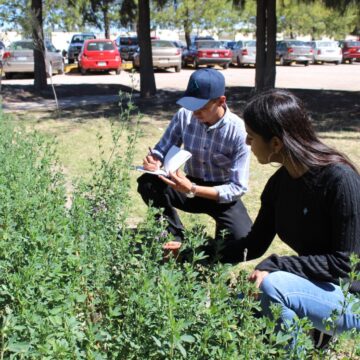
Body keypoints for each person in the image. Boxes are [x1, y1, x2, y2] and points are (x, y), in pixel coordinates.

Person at [204, 88, 360, 345]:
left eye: (252, 137)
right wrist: (193, 251)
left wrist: (277, 264)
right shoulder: (280, 183)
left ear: (276, 143)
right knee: (237, 302)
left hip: (351, 297)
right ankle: (311, 341)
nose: (247, 144)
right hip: (321, 288)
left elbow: (345, 264)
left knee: (273, 286)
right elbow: (254, 245)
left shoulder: (339, 180)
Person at [137, 68, 252, 245]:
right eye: (191, 106)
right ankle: (173, 236)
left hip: (219, 194)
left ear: (221, 101)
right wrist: (155, 159)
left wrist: (192, 188)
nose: (195, 113)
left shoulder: (238, 132)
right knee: (147, 183)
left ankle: (213, 253)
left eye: (202, 108)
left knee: (242, 238)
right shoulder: (185, 115)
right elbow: (162, 148)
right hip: (186, 184)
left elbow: (237, 188)